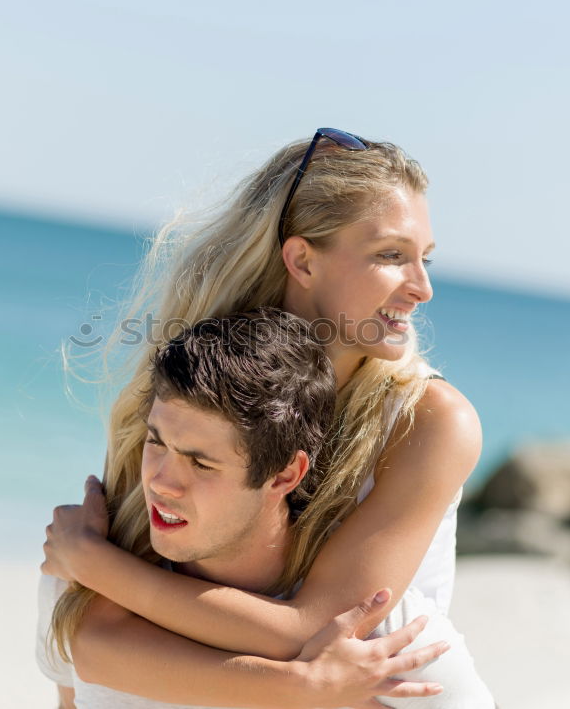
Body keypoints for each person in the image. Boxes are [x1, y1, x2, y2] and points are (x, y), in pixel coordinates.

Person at [42, 129, 487, 705]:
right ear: (302, 259)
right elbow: (91, 647)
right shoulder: (197, 381)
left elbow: (322, 627)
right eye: (390, 256)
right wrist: (84, 572)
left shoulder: (427, 420)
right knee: (61, 604)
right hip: (220, 672)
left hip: (381, 692)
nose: (422, 288)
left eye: (422, 259)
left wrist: (94, 564)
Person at [38, 310, 493, 708]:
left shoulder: (387, 644)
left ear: (283, 475)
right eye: (156, 442)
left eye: (200, 462)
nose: (159, 481)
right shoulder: (80, 575)